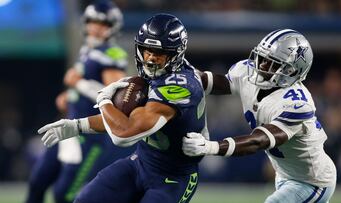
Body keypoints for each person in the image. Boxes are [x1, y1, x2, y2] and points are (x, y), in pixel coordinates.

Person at [37, 13, 207, 203]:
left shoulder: (180, 87)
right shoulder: (151, 78)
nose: (150, 58)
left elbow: (124, 134)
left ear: (176, 53)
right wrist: (77, 126)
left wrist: (103, 100)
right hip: (141, 163)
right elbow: (122, 119)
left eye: (159, 53)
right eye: (146, 50)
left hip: (174, 177)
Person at [182, 29, 337, 203]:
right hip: (286, 174)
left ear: (292, 71)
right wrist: (187, 76)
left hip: (311, 181)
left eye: (272, 63)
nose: (261, 65)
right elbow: (220, 83)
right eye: (262, 58)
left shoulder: (297, 104)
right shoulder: (249, 72)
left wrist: (209, 147)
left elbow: (258, 141)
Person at [25, 2, 129, 203]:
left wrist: (78, 84)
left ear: (112, 26)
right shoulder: (87, 50)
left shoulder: (112, 54)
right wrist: (71, 96)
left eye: (102, 23)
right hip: (67, 129)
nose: (96, 27)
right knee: (38, 182)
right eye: (92, 22)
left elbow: (117, 99)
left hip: (89, 136)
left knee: (64, 194)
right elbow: (88, 88)